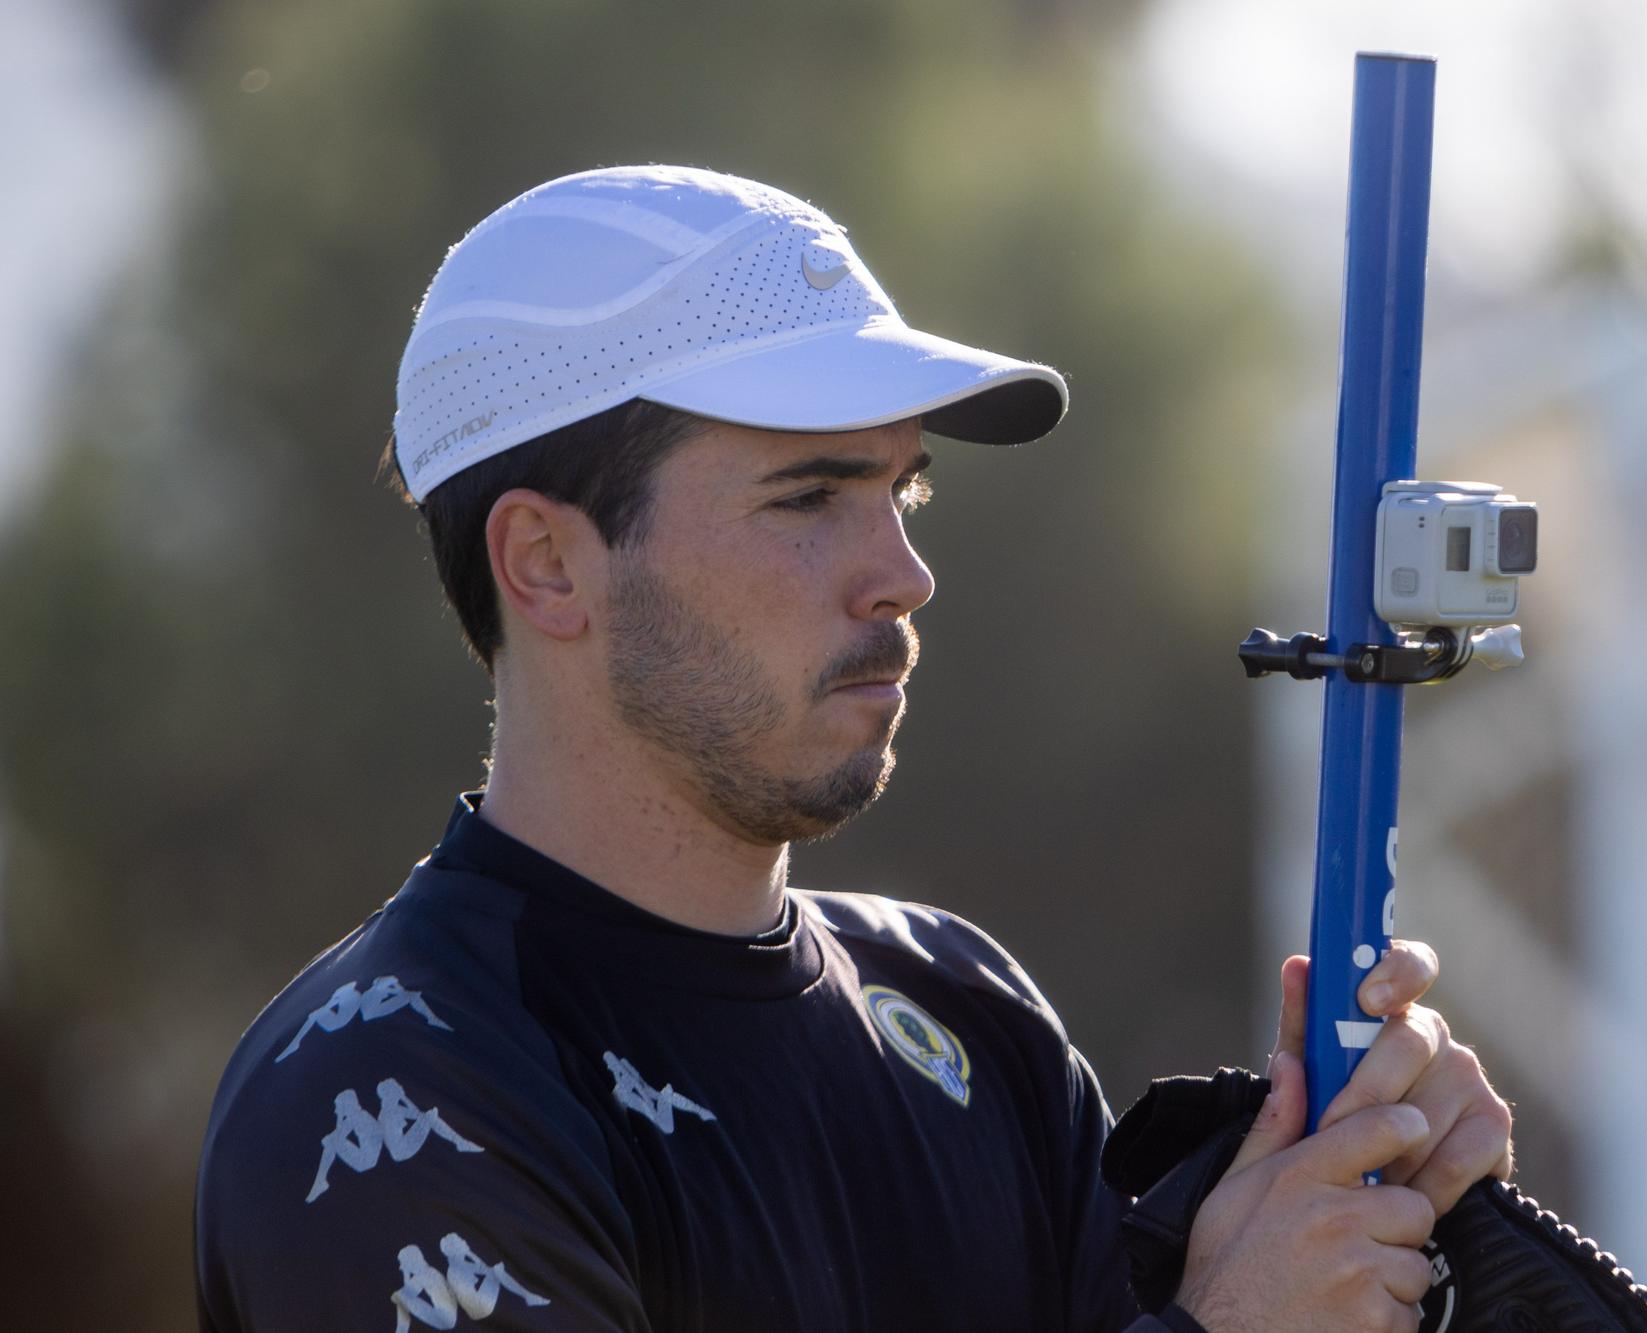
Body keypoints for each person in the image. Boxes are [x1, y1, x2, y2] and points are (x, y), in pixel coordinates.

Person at [194, 166, 1512, 1333]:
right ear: (547, 563)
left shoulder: (965, 1009)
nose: (903, 573)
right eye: (810, 496)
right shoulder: (387, 1096)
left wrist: (1370, 1221)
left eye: (904, 490)